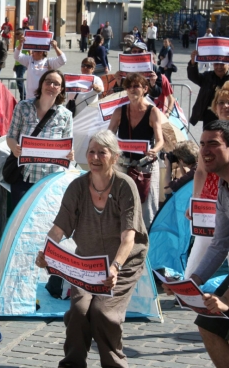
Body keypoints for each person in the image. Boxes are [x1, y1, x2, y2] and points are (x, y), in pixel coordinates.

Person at [35, 129, 148, 368]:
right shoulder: (77, 187)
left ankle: (114, 364)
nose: (95, 157)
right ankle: (72, 364)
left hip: (123, 263)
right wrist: (46, 252)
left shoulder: (125, 186)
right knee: (79, 311)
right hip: (86, 263)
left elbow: (129, 236)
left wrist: (115, 267)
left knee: (102, 313)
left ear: (115, 157)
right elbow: (59, 228)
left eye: (102, 152)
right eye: (91, 152)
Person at [163, 121, 229, 368]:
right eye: (202, 144)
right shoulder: (223, 188)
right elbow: (220, 244)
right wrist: (191, 284)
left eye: (214, 144)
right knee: (208, 326)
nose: (205, 150)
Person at [6, 70, 74, 208]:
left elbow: (68, 144)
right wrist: (15, 148)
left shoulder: (66, 115)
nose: (51, 86)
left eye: (56, 84)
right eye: (48, 81)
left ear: (61, 89)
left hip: (51, 180)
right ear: (41, 84)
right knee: (19, 222)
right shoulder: (23, 107)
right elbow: (11, 136)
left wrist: (70, 153)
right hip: (24, 176)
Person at [184, 84, 229, 279]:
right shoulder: (209, 133)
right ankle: (186, 285)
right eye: (220, 102)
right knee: (204, 242)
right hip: (211, 195)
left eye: (228, 102)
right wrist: (195, 201)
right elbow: (200, 171)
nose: (224, 106)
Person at [108, 73, 164, 229]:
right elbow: (109, 135)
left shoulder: (153, 111)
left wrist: (155, 150)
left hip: (146, 165)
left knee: (147, 207)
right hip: (123, 165)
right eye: (129, 86)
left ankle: (145, 243)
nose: (132, 90)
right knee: (121, 204)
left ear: (145, 89)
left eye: (136, 86)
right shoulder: (119, 111)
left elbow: (160, 140)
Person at [188, 49, 229, 127]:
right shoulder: (208, 77)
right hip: (209, 116)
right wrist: (193, 63)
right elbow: (193, 76)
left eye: (222, 64)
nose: (219, 67)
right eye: (216, 64)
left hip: (226, 114)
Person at [13, 29, 29, 100]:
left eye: (17, 34)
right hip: (17, 64)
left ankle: (23, 96)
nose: (15, 36)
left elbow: (30, 51)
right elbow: (16, 54)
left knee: (19, 80)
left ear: (21, 34)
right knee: (18, 80)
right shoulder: (17, 42)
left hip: (23, 64)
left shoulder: (25, 41)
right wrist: (15, 65)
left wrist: (30, 63)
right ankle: (22, 96)